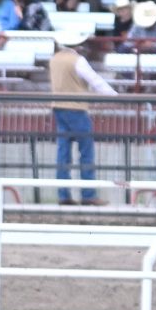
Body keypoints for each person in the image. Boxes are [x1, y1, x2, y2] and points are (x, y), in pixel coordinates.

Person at [47, 22, 118, 204]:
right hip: (77, 109)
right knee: (86, 151)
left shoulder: (54, 59)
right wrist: (114, 96)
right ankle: (88, 194)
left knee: (63, 152)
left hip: (59, 108)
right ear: (78, 45)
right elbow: (95, 81)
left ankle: (63, 195)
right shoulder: (78, 60)